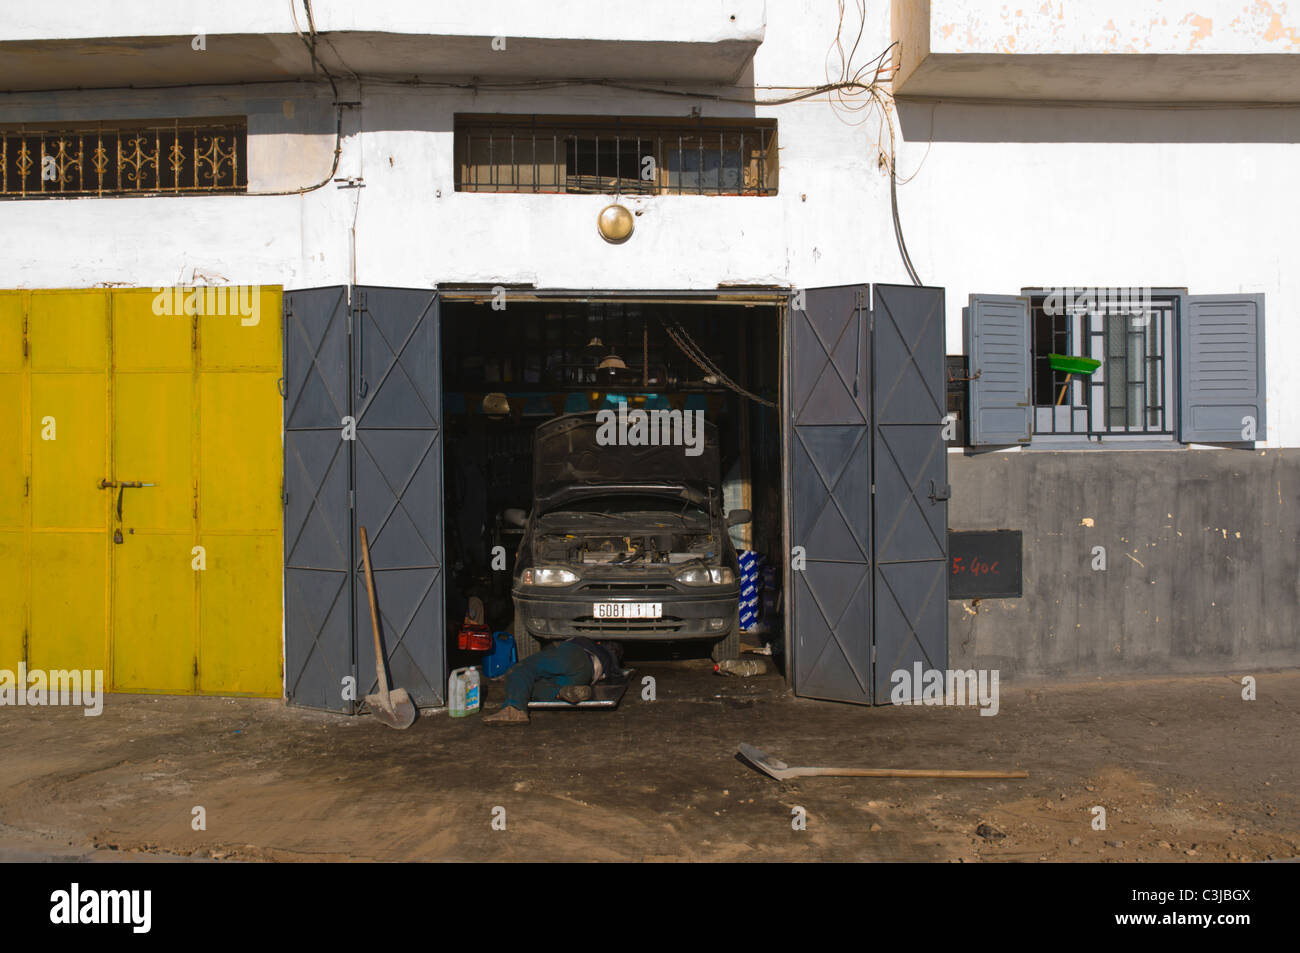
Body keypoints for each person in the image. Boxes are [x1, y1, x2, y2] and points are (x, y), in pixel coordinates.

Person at [483, 637, 623, 726]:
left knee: (521, 669)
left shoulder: (588, 641)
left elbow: (553, 647)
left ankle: (514, 709)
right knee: (532, 688)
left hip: (576, 657)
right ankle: (560, 693)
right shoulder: (611, 665)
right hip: (586, 676)